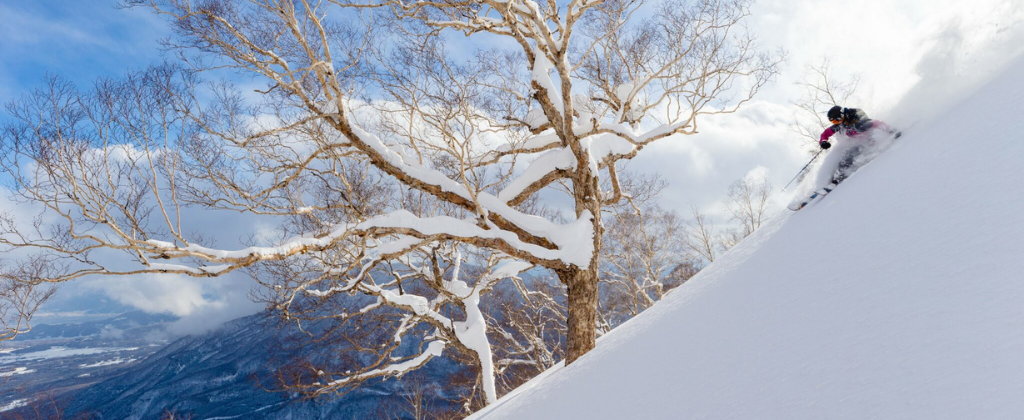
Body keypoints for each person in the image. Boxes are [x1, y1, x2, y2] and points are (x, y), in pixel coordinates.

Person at [814, 105, 900, 192]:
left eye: (836, 120)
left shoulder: (858, 120)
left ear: (841, 115)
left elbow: (877, 123)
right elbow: (825, 134)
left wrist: (891, 130)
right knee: (844, 155)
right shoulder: (840, 124)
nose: (836, 123)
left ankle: (839, 176)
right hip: (855, 141)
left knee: (849, 155)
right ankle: (833, 178)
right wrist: (823, 142)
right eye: (833, 122)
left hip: (867, 141)